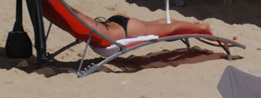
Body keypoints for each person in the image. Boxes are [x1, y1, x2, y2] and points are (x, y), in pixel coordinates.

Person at [68, 5, 212, 41]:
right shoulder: (69, 11)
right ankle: (195, 24)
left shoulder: (67, 14)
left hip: (125, 29)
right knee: (161, 24)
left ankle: (202, 27)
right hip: (115, 23)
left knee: (171, 28)